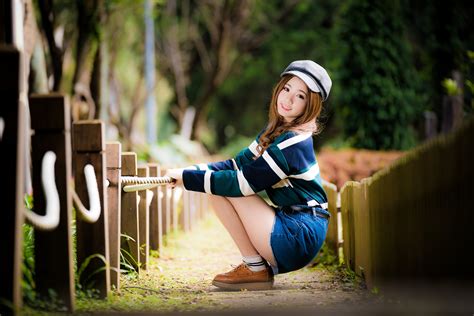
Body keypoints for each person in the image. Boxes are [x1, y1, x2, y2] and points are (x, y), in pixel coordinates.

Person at [166, 60, 332, 291]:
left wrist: (188, 180)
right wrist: (189, 172)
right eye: (286, 89)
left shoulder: (294, 144)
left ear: (310, 106)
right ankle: (256, 268)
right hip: (291, 222)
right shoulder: (276, 131)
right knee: (217, 187)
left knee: (228, 187)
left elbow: (243, 183)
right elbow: (235, 164)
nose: (289, 99)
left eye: (301, 96)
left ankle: (255, 269)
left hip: (300, 235)